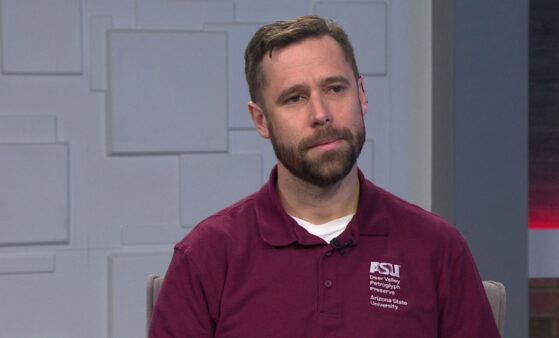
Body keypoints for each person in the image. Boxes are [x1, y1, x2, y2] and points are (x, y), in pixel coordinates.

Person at [149, 15, 500, 337]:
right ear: (261, 120)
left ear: (361, 94)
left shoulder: (437, 248)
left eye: (335, 89)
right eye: (295, 98)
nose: (321, 114)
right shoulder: (207, 256)